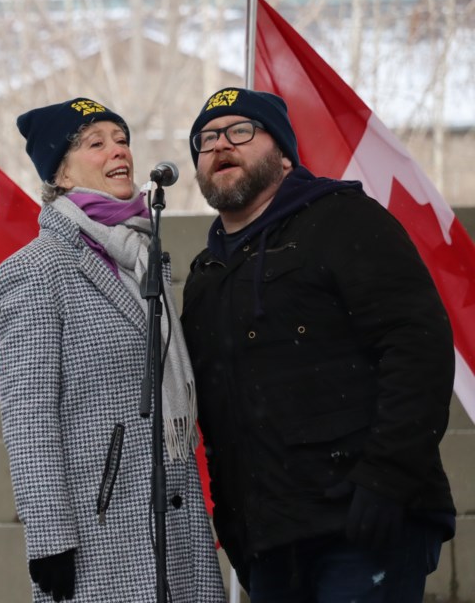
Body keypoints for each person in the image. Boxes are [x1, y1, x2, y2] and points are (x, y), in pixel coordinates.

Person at [181, 87, 455, 602]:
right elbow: (217, 414)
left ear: (283, 153)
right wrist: (235, 528)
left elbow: (418, 347)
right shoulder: (204, 276)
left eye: (241, 131)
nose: (221, 145)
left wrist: (386, 481)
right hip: (269, 545)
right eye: (207, 138)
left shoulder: (344, 219)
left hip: (363, 527)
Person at [0, 97, 226, 602]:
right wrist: (50, 541)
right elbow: (28, 415)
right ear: (63, 175)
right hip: (98, 530)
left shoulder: (146, 258)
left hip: (176, 522)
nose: (117, 150)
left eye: (121, 139)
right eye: (95, 143)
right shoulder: (36, 269)